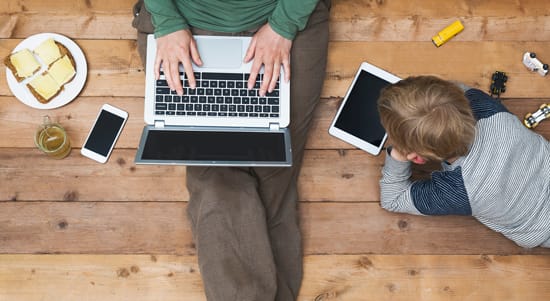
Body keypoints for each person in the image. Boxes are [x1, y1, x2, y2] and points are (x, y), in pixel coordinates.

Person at [131, 1, 331, 300]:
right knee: (214, 177)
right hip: (184, 19)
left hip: (286, 16)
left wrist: (283, 25)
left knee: (274, 168)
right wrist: (168, 22)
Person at [377, 75, 550, 249]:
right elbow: (455, 90)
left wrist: (398, 154)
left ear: (417, 158)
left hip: (542, 229)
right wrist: (420, 95)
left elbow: (393, 200)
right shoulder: (485, 106)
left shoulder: (456, 190)